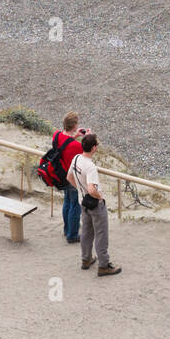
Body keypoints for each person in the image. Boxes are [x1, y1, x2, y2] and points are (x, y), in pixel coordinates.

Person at [68, 134, 120, 276]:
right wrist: (100, 197)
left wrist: (81, 190)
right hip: (95, 205)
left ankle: (86, 259)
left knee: (86, 231)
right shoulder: (90, 166)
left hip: (83, 201)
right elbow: (92, 189)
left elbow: (69, 177)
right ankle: (104, 265)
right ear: (94, 148)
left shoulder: (76, 158)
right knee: (101, 235)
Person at [52, 113, 88, 244]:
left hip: (61, 175)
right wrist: (88, 138)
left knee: (67, 202)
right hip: (73, 177)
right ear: (74, 126)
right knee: (75, 205)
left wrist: (75, 135)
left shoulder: (56, 135)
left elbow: (64, 144)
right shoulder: (76, 146)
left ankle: (67, 229)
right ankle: (72, 235)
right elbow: (87, 155)